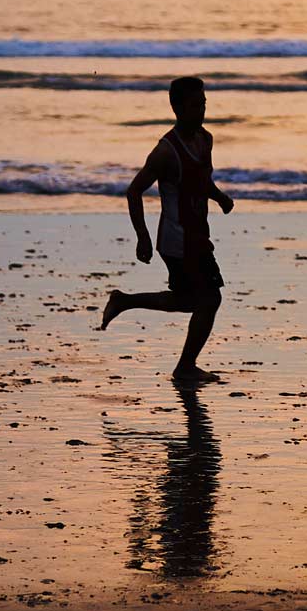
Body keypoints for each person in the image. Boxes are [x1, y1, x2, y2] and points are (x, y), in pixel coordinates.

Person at [100, 75, 234, 383]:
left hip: (198, 233)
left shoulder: (205, 139)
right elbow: (134, 191)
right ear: (176, 107)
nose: (201, 110)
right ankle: (185, 366)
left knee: (191, 300)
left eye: (203, 103)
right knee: (208, 299)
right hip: (177, 238)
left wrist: (219, 196)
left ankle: (124, 301)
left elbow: (202, 180)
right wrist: (143, 237)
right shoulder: (165, 151)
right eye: (194, 105)